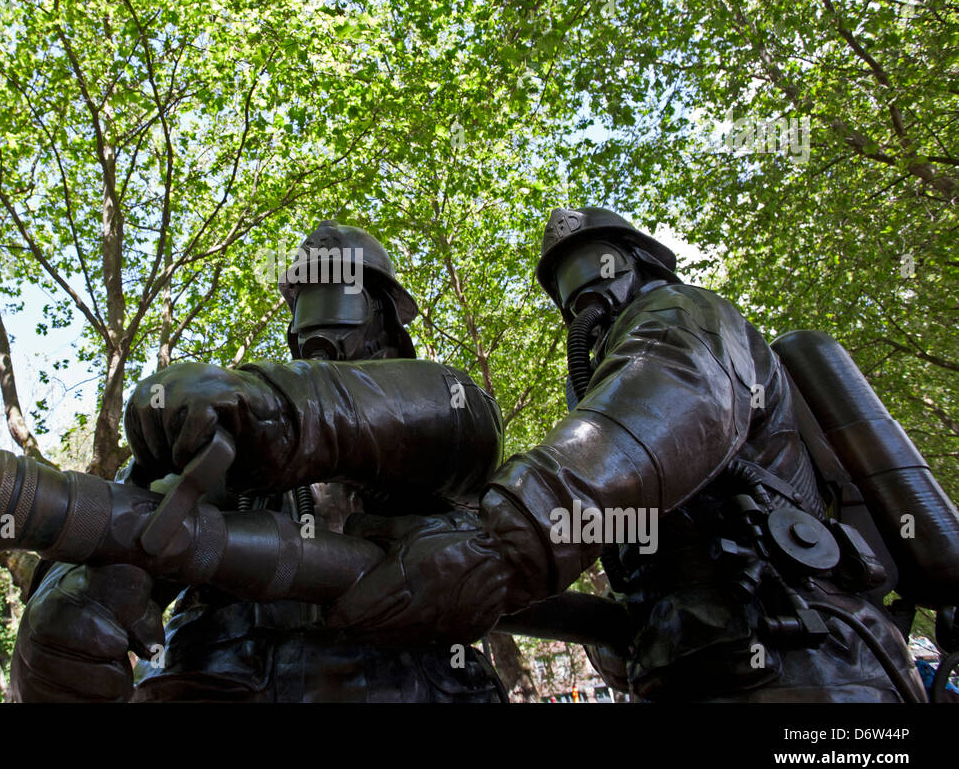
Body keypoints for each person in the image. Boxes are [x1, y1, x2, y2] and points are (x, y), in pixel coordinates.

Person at [324, 206, 927, 701]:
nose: (582, 298)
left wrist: (496, 548)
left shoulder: (688, 316)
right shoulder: (602, 405)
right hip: (687, 666)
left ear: (637, 261)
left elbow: (672, 398)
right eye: (566, 288)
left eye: (592, 269)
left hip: (813, 663)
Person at [11, 220, 507, 701]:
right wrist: (57, 633)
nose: (318, 330)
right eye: (309, 301)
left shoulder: (445, 416)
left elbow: (456, 418)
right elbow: (110, 528)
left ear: (387, 322)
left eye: (341, 298)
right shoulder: (227, 437)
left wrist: (274, 406)